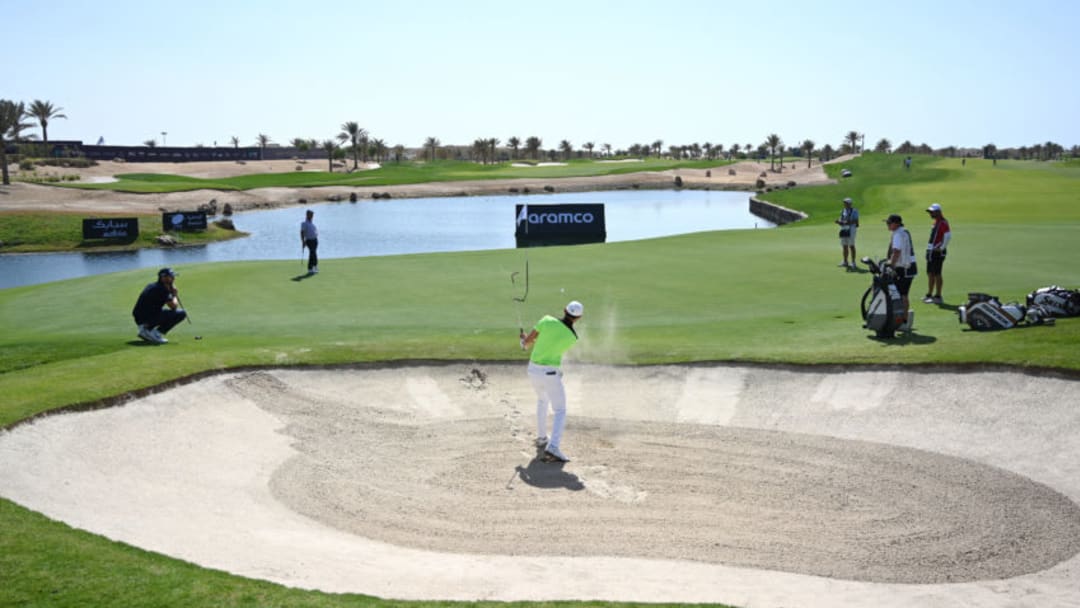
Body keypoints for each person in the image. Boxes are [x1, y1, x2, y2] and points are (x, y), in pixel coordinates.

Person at [520, 300, 584, 463]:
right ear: (578, 318)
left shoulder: (546, 320)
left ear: (564, 310)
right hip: (550, 374)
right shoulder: (573, 337)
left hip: (533, 370)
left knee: (542, 400)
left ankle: (542, 438)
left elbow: (527, 343)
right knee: (560, 410)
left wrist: (523, 340)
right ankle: (553, 446)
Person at [132, 267, 186, 344]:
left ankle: (151, 331)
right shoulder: (162, 289)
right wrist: (174, 295)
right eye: (171, 276)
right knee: (181, 313)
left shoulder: (152, 285)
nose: (173, 278)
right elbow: (173, 306)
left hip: (140, 317)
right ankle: (149, 332)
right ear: (163, 278)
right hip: (146, 318)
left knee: (167, 312)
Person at [885, 214, 917, 320]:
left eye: (889, 223)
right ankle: (903, 318)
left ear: (897, 224)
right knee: (902, 293)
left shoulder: (898, 234)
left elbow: (896, 251)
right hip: (908, 266)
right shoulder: (904, 231)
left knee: (902, 294)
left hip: (905, 267)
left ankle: (903, 320)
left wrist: (891, 265)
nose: (887, 225)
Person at [922, 203, 952, 304]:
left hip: (937, 252)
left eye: (932, 212)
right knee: (930, 273)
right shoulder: (936, 222)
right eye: (930, 212)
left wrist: (942, 247)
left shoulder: (943, 222)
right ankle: (929, 294)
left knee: (937, 273)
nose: (930, 214)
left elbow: (948, 236)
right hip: (931, 251)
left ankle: (938, 296)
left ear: (938, 212)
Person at [835, 197, 860, 270]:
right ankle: (845, 261)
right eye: (844, 203)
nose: (845, 204)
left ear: (850, 203)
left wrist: (847, 222)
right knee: (844, 246)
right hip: (843, 229)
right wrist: (839, 222)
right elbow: (841, 220)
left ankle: (853, 262)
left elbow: (856, 221)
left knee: (851, 246)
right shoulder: (843, 211)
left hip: (851, 229)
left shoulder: (854, 211)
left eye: (846, 203)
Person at [300, 209, 319, 274]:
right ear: (307, 215)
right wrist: (303, 241)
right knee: (312, 253)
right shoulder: (304, 223)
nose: (312, 216)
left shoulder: (311, 223)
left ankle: (314, 266)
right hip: (309, 241)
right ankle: (311, 268)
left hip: (315, 240)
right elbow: (302, 232)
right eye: (311, 215)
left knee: (314, 253)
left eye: (312, 215)